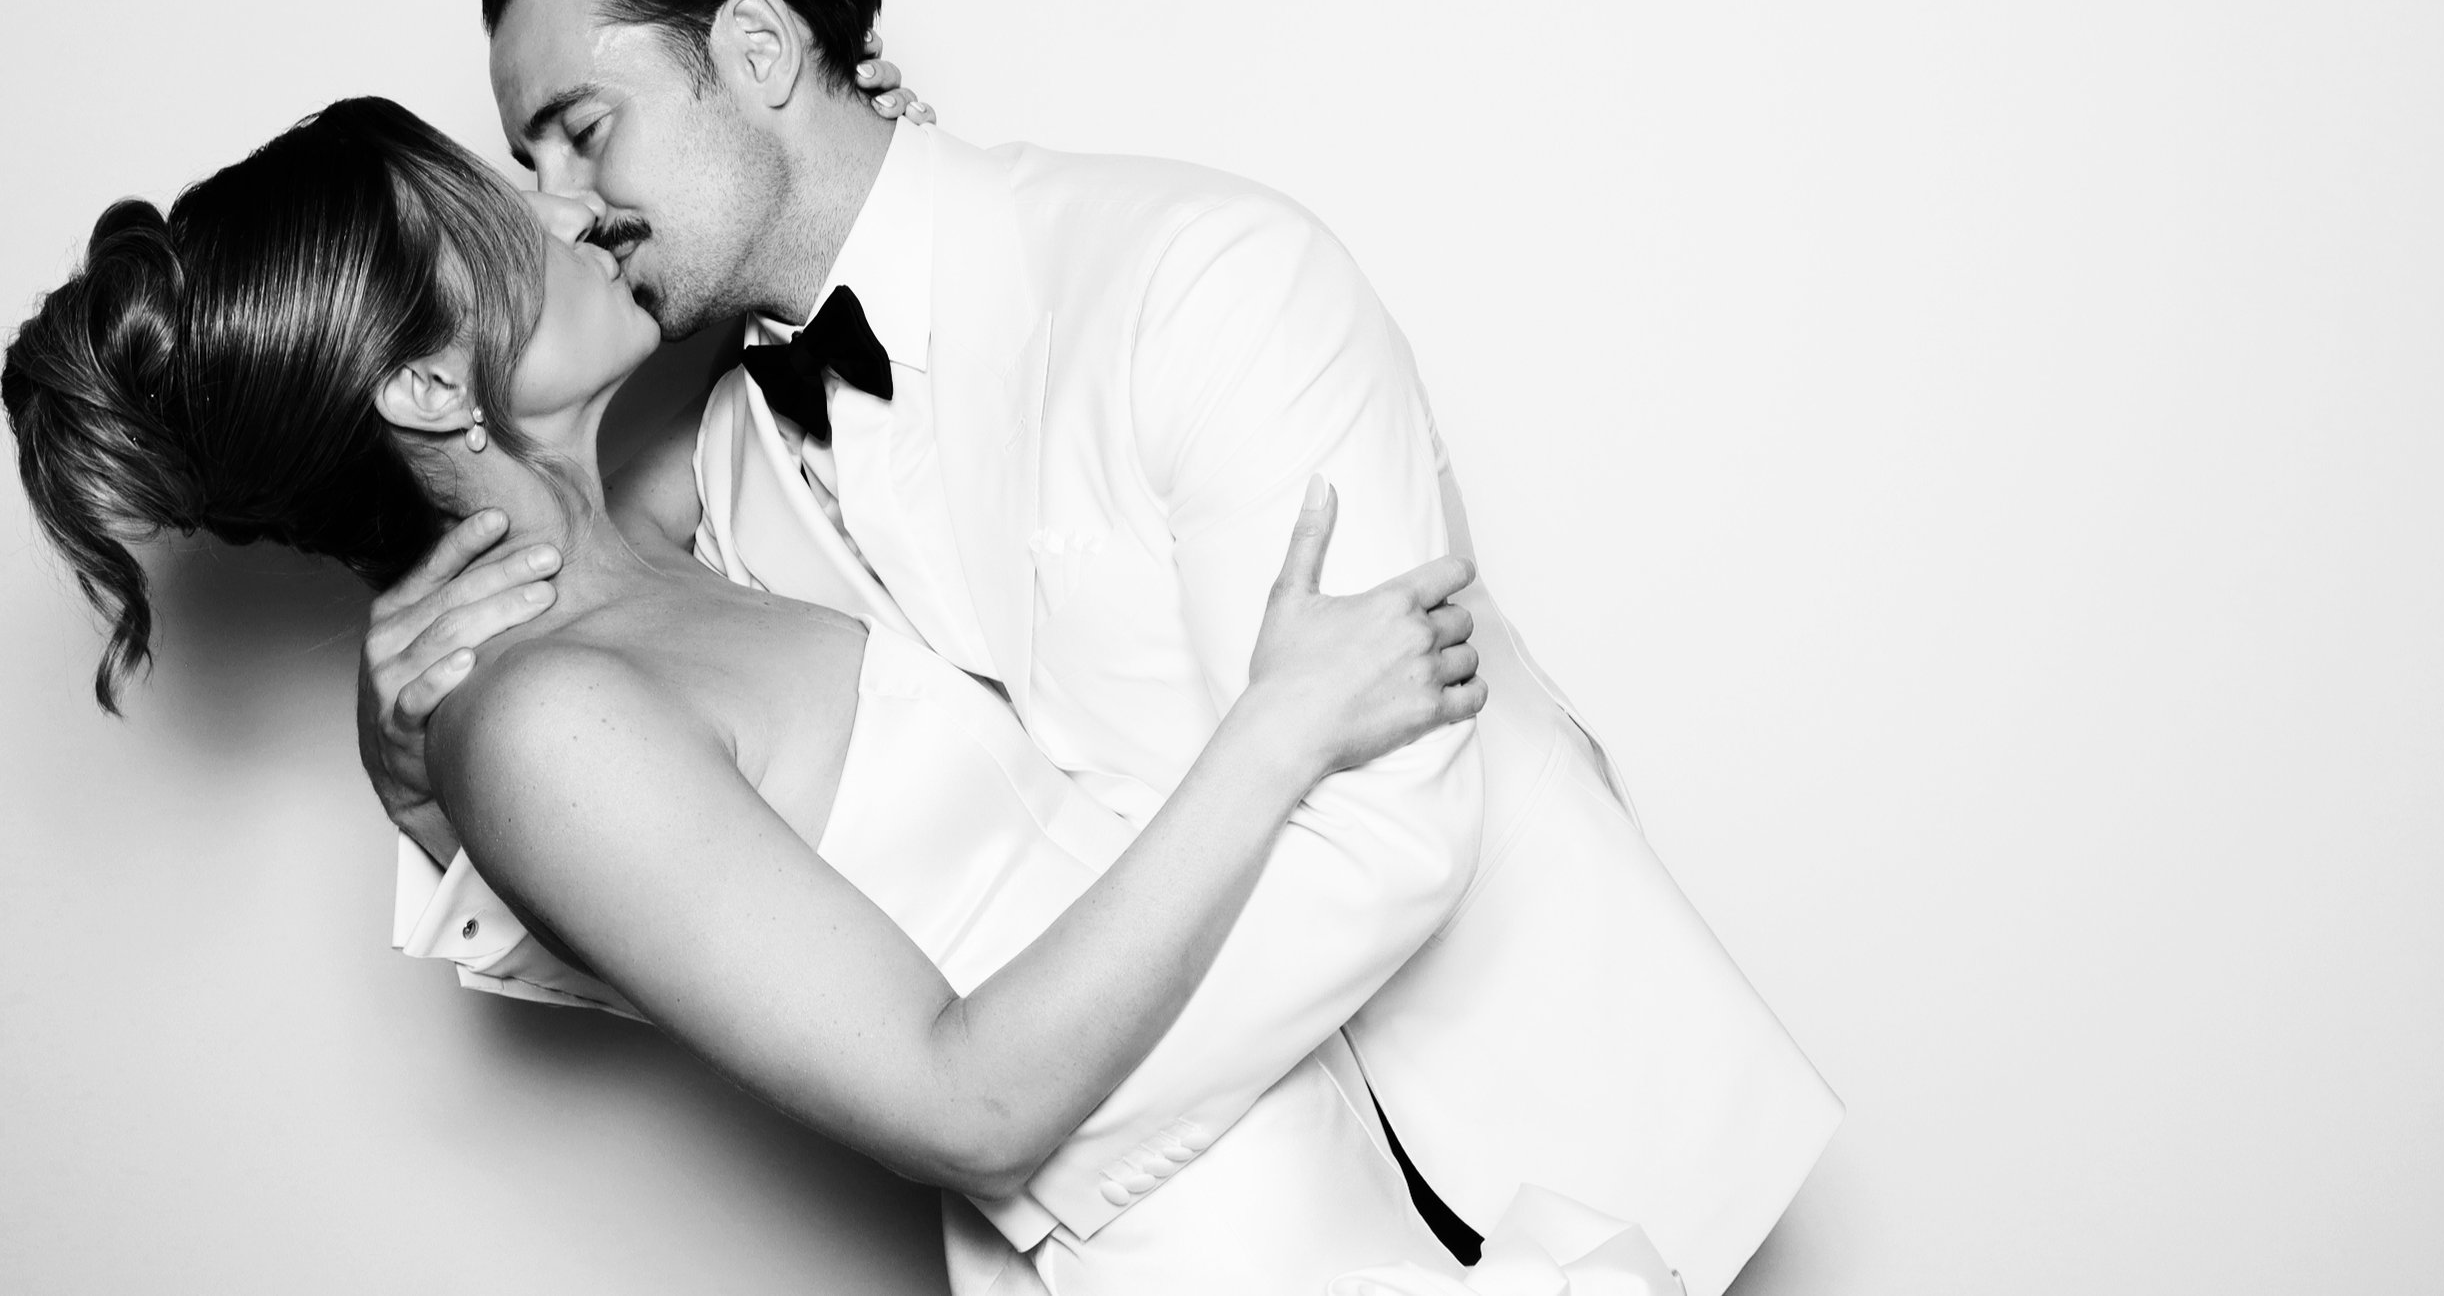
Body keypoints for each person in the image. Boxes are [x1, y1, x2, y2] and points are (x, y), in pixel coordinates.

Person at [364, 0, 1842, 1295]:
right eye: (525, 165)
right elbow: (696, 881)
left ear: (756, 47)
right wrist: (429, 788)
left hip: (1543, 1150)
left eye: (580, 128)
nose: (556, 206)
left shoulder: (1198, 278)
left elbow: (1392, 829)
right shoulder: (732, 478)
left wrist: (1006, 1132)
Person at [3, 97, 1498, 1295]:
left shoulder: (666, 549)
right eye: (499, 214)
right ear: (427, 392)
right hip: (1195, 1252)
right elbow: (963, 1104)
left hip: (1332, 1180)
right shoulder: (536, 719)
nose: (573, 208)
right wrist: (1282, 726)